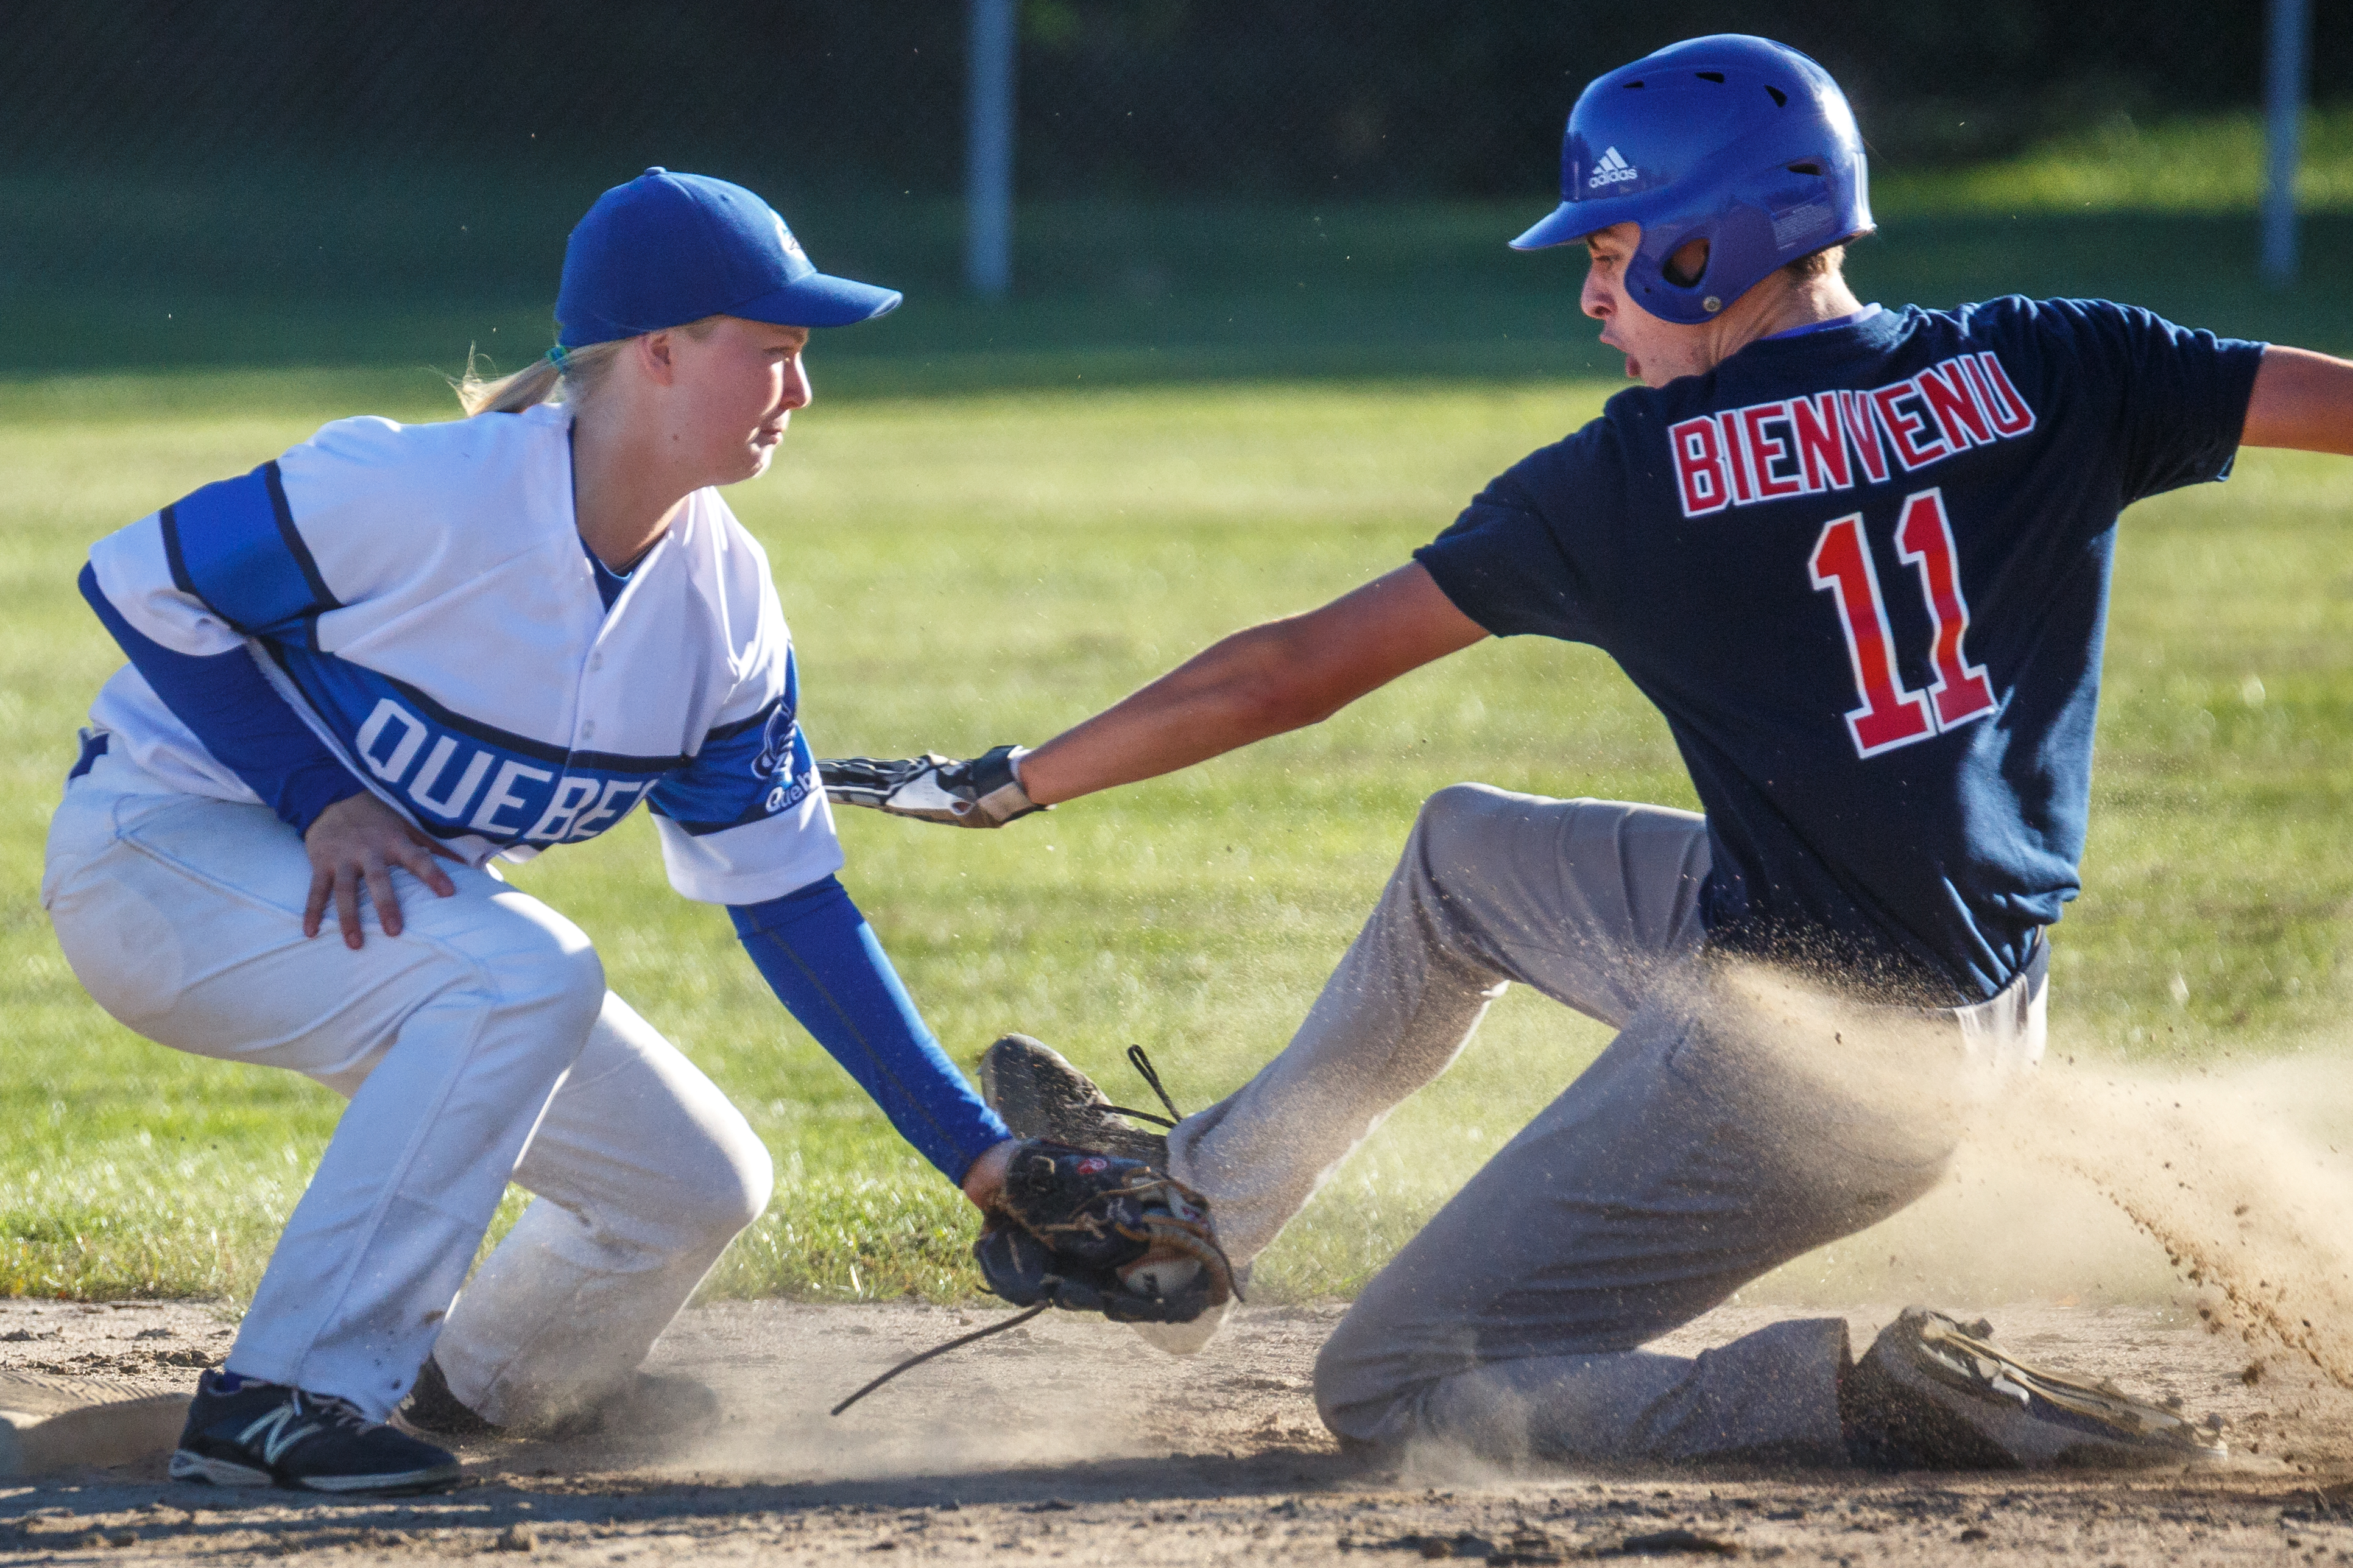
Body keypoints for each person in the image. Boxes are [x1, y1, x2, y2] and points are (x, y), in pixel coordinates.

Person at [822, 35, 2353, 1468]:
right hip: (1942, 990)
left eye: (1614, 259)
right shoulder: (2056, 361)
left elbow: (1290, 672)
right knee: (1459, 858)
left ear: (1712, 248)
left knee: (1388, 1386)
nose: (1592, 300)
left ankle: (1853, 1401)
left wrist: (1017, 777)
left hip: (1807, 1069)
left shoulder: (1636, 481)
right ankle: (1196, 1209)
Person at [43, 168, 1025, 1494]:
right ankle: (282, 1400)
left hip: (368, 914)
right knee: (524, 968)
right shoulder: (423, 493)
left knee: (692, 1183)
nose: (801, 391)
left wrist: (985, 1157)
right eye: (777, 352)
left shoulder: (723, 608)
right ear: (663, 352)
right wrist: (316, 794)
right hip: (158, 857)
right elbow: (139, 576)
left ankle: (480, 1388)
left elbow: (788, 901)